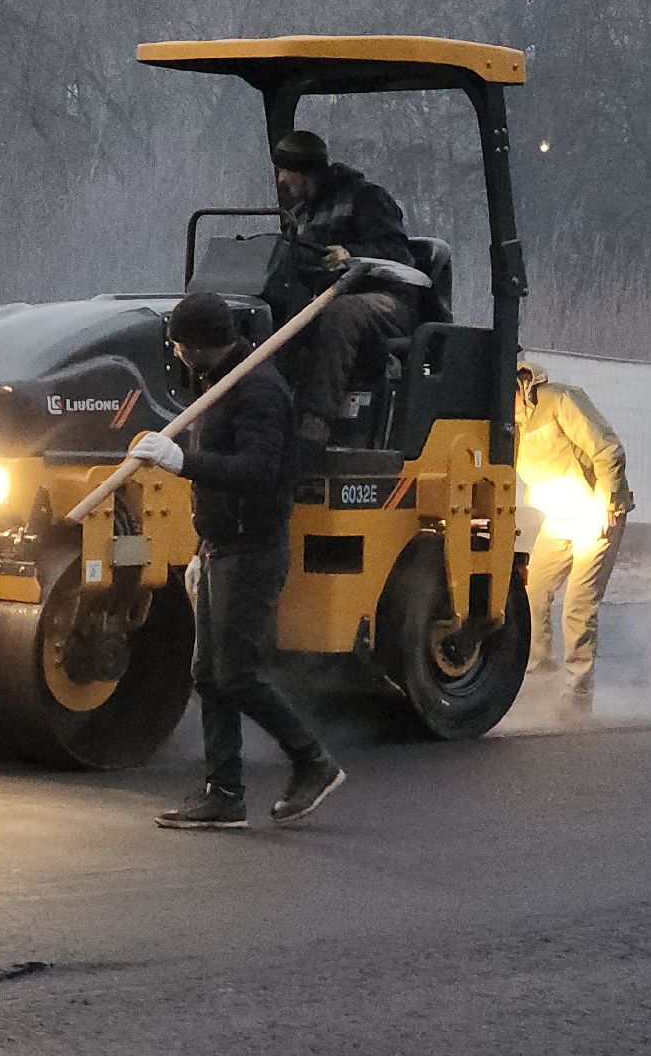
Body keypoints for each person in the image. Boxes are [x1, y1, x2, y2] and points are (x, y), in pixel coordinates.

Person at [130, 292, 346, 829]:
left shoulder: (260, 390)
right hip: (222, 547)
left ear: (199, 344)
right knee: (207, 675)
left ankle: (313, 761)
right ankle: (224, 793)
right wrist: (203, 545)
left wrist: (183, 462)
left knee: (237, 673)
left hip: (254, 550)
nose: (176, 354)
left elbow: (257, 470)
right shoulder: (219, 385)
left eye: (179, 344)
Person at [272, 130, 419, 459]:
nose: (281, 181)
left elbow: (398, 253)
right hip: (333, 297)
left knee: (342, 313)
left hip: (390, 300)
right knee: (288, 317)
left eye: (284, 172)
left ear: (302, 171)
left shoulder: (366, 198)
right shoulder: (304, 212)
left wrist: (349, 253)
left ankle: (315, 424)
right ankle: (275, 416)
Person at [516, 362, 634, 716]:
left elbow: (608, 449)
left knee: (578, 606)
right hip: (560, 515)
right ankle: (539, 680)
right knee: (531, 591)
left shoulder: (560, 400)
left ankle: (577, 699)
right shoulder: (509, 427)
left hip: (596, 513)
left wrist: (607, 503)